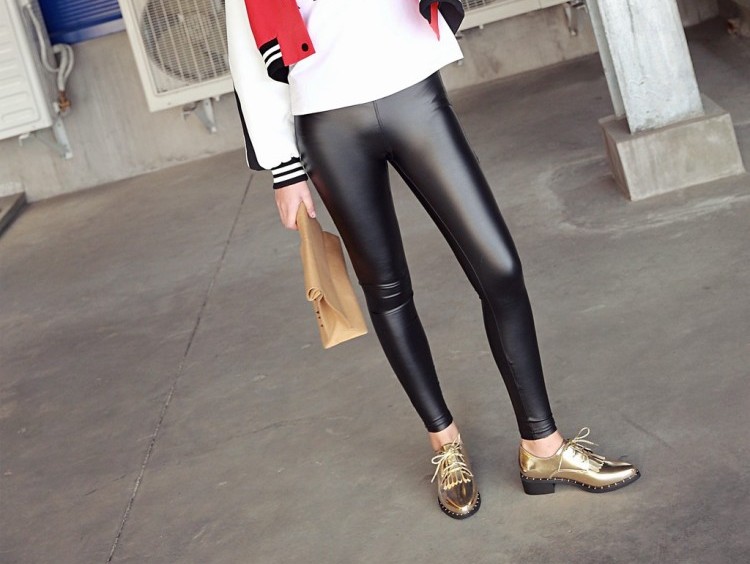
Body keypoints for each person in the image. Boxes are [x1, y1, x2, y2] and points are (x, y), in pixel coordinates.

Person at [227, 0, 640, 519]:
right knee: (387, 289)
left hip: (413, 90)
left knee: (500, 269)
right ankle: (445, 443)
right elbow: (246, 43)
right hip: (328, 122)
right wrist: (284, 169)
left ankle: (543, 447)